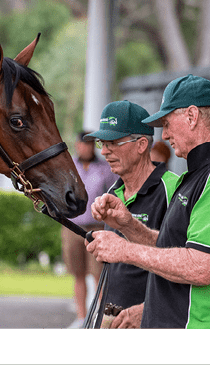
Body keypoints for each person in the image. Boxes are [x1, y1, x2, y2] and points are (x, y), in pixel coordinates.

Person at [87, 74, 210, 328]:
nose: (164, 135)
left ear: (192, 116)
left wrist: (124, 250)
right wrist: (128, 225)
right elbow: (173, 247)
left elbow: (201, 266)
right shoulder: (199, 173)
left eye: (166, 123)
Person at [83, 100, 178, 328]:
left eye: (113, 142)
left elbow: (186, 262)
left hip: (154, 322)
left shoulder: (174, 188)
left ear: (142, 144)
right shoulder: (112, 192)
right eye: (101, 143)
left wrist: (150, 309)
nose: (104, 151)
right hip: (111, 317)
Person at [63, 131, 118, 328]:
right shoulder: (71, 167)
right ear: (77, 145)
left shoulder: (105, 169)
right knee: (78, 274)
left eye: (89, 144)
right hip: (72, 227)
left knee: (98, 275)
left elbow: (114, 196)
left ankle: (100, 318)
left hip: (97, 228)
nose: (85, 148)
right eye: (82, 144)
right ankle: (81, 317)